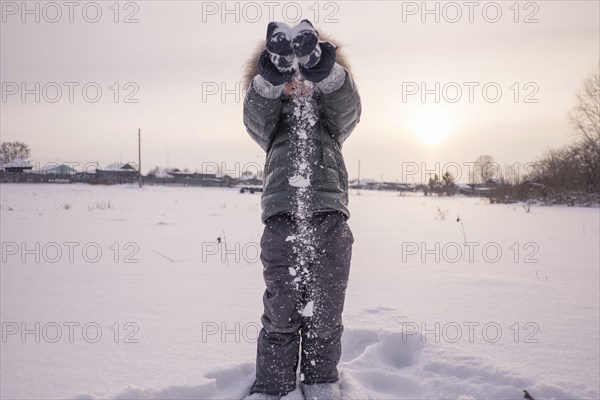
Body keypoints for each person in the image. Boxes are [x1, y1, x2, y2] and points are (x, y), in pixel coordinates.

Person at [242, 19, 361, 400]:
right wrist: (269, 82)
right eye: (290, 76)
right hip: (282, 222)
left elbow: (347, 106)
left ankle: (321, 381)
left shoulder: (330, 124)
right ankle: (273, 387)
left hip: (329, 219)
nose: (300, 83)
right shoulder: (274, 127)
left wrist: (328, 75)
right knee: (281, 313)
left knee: (325, 314)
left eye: (306, 73)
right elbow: (255, 117)